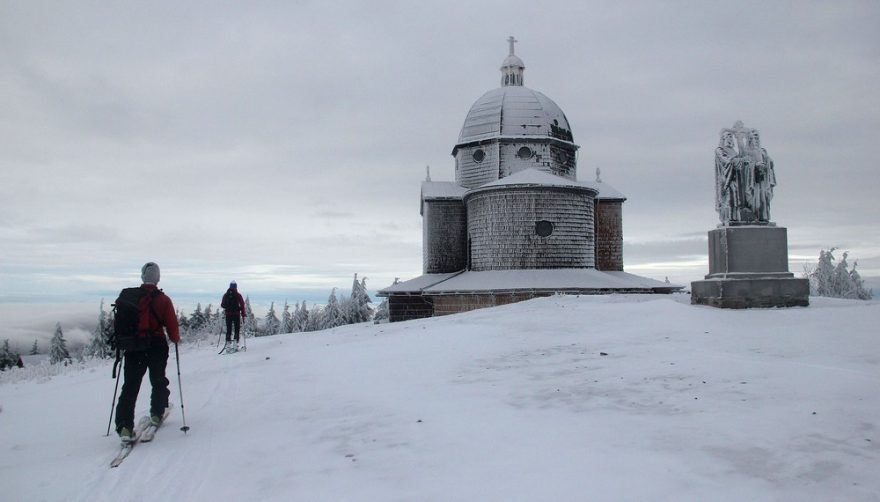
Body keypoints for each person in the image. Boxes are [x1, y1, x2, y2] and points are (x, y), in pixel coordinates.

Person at [115, 262, 180, 443]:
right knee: (158, 380)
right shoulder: (163, 300)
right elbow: (172, 327)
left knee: (130, 386)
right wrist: (175, 339)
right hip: (156, 346)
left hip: (134, 348)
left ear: (142, 276)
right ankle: (156, 413)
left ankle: (124, 427)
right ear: (158, 278)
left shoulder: (129, 298)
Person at [221, 281, 247, 351]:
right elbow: (242, 305)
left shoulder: (225, 295)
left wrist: (227, 307)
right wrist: (243, 314)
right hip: (236, 314)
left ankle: (228, 346)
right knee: (236, 329)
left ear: (229, 286)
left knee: (228, 330)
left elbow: (222, 305)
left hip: (228, 315)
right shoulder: (238, 295)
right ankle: (236, 345)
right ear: (236, 287)